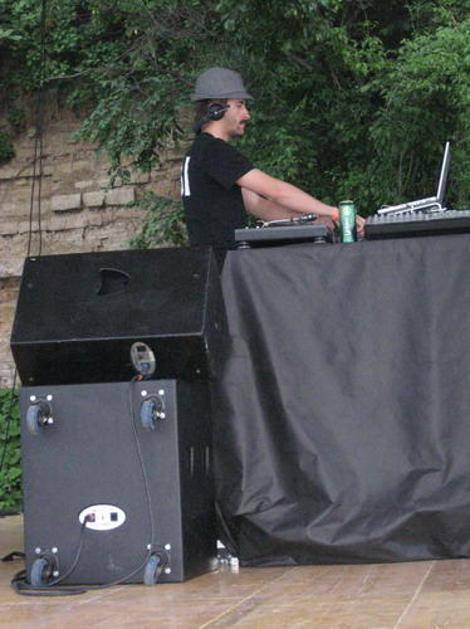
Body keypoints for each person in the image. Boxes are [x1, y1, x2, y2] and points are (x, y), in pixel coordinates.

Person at [181, 67, 364, 263]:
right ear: (216, 109)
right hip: (225, 267)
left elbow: (259, 205)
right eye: (240, 105)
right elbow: (276, 191)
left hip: (219, 265)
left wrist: (312, 222)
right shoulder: (214, 150)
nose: (247, 115)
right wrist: (335, 212)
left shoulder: (202, 151)